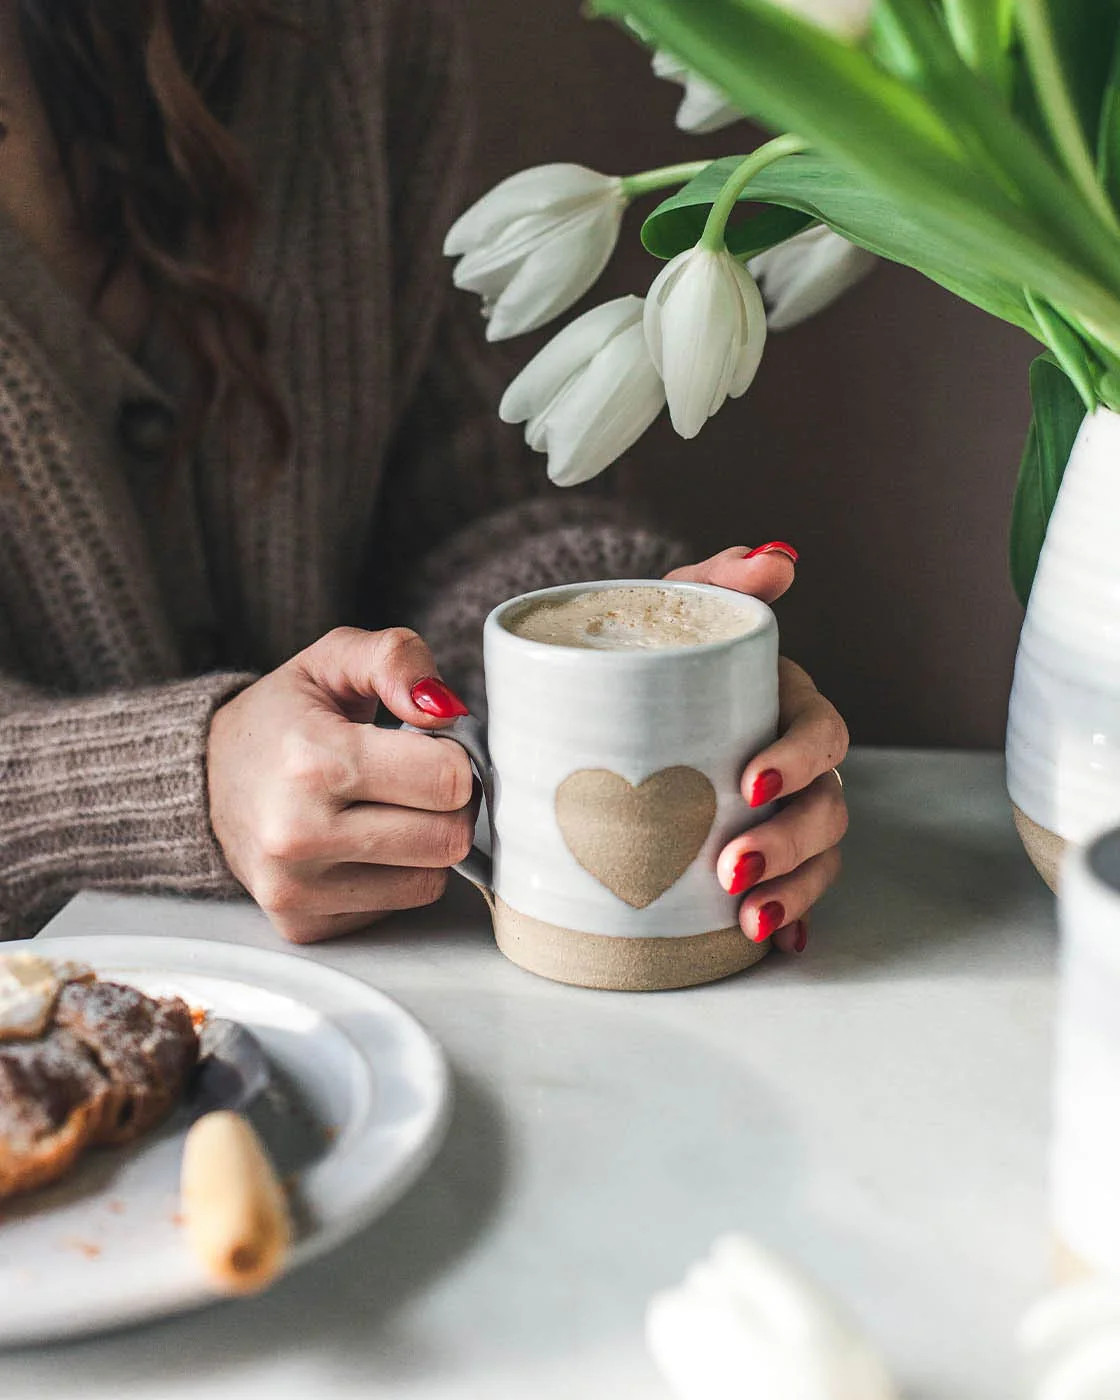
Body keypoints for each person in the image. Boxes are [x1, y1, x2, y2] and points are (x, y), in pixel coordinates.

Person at [0, 0, 848, 953]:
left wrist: (610, 655)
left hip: (400, 992)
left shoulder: (346, 33)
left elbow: (466, 493)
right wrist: (183, 784)